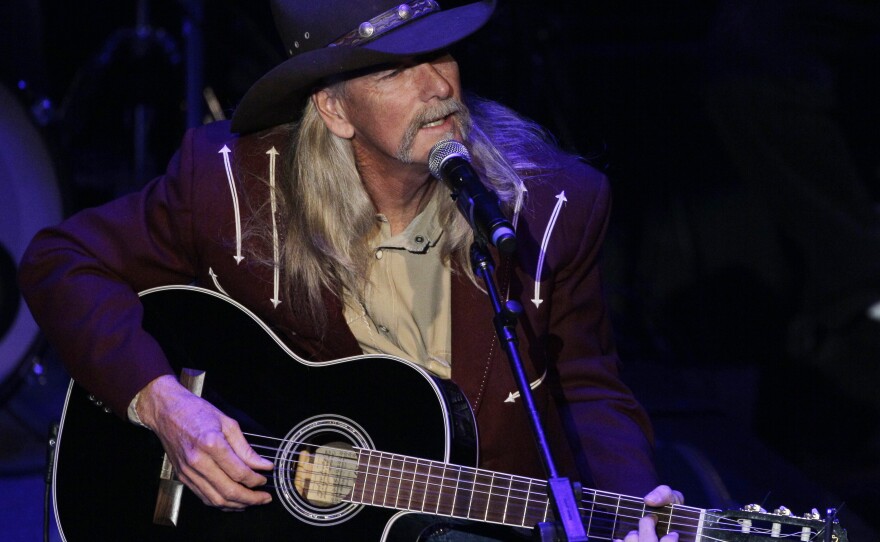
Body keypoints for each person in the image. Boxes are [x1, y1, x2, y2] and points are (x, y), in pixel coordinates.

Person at [19, 0, 682, 540]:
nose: (439, 87)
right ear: (334, 109)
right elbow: (61, 261)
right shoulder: (233, 183)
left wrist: (632, 508)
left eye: (442, 53)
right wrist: (163, 404)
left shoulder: (551, 206)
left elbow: (588, 387)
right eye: (395, 70)